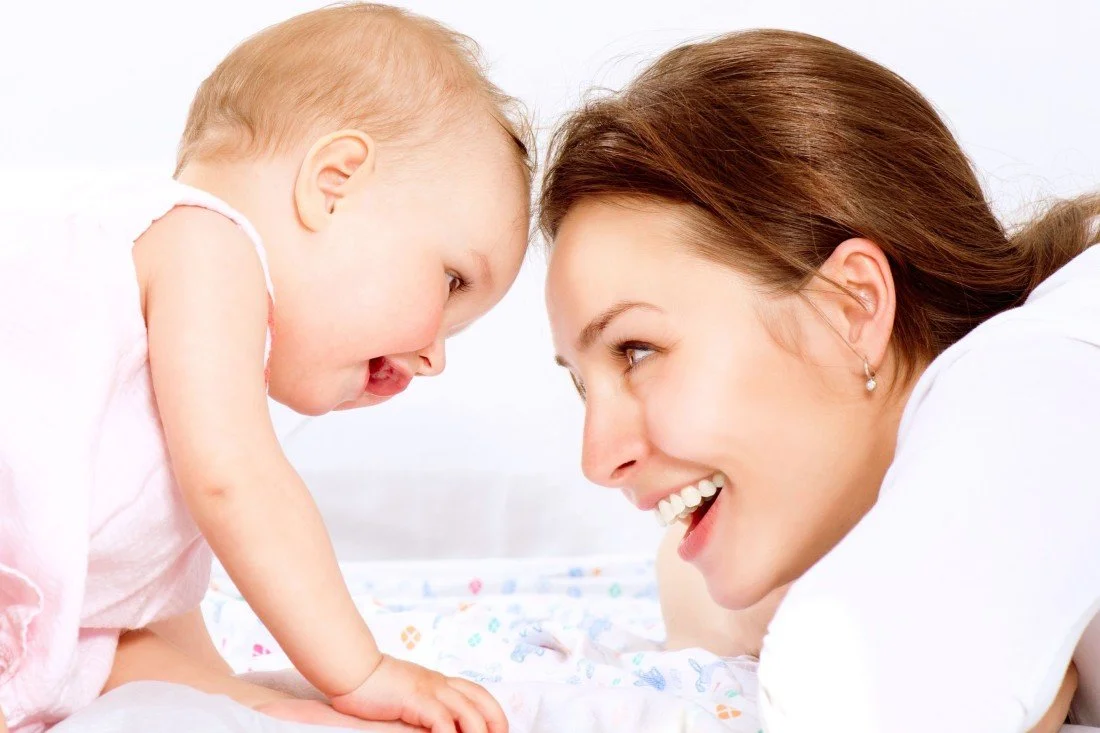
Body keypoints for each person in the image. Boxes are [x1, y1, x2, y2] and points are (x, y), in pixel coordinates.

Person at [540, 28, 1099, 732]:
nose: (599, 459)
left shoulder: (1032, 381)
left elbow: (859, 684)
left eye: (637, 349)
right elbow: (698, 591)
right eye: (583, 384)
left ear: (851, 306)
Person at [0, 4, 532, 732]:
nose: (435, 354)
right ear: (334, 182)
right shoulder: (205, 243)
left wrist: (251, 703)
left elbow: (128, 627)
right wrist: (363, 670)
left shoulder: (158, 375)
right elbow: (237, 482)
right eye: (450, 284)